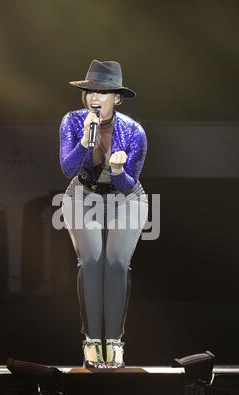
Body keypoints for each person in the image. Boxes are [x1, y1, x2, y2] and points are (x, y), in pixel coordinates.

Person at [59, 60, 148, 369]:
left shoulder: (134, 132)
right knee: (92, 262)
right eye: (90, 91)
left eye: (103, 92)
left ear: (117, 98)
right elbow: (68, 169)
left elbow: (127, 186)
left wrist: (119, 170)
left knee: (116, 263)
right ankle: (91, 343)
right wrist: (85, 140)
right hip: (83, 194)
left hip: (125, 198)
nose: (94, 97)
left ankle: (115, 344)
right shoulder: (72, 122)